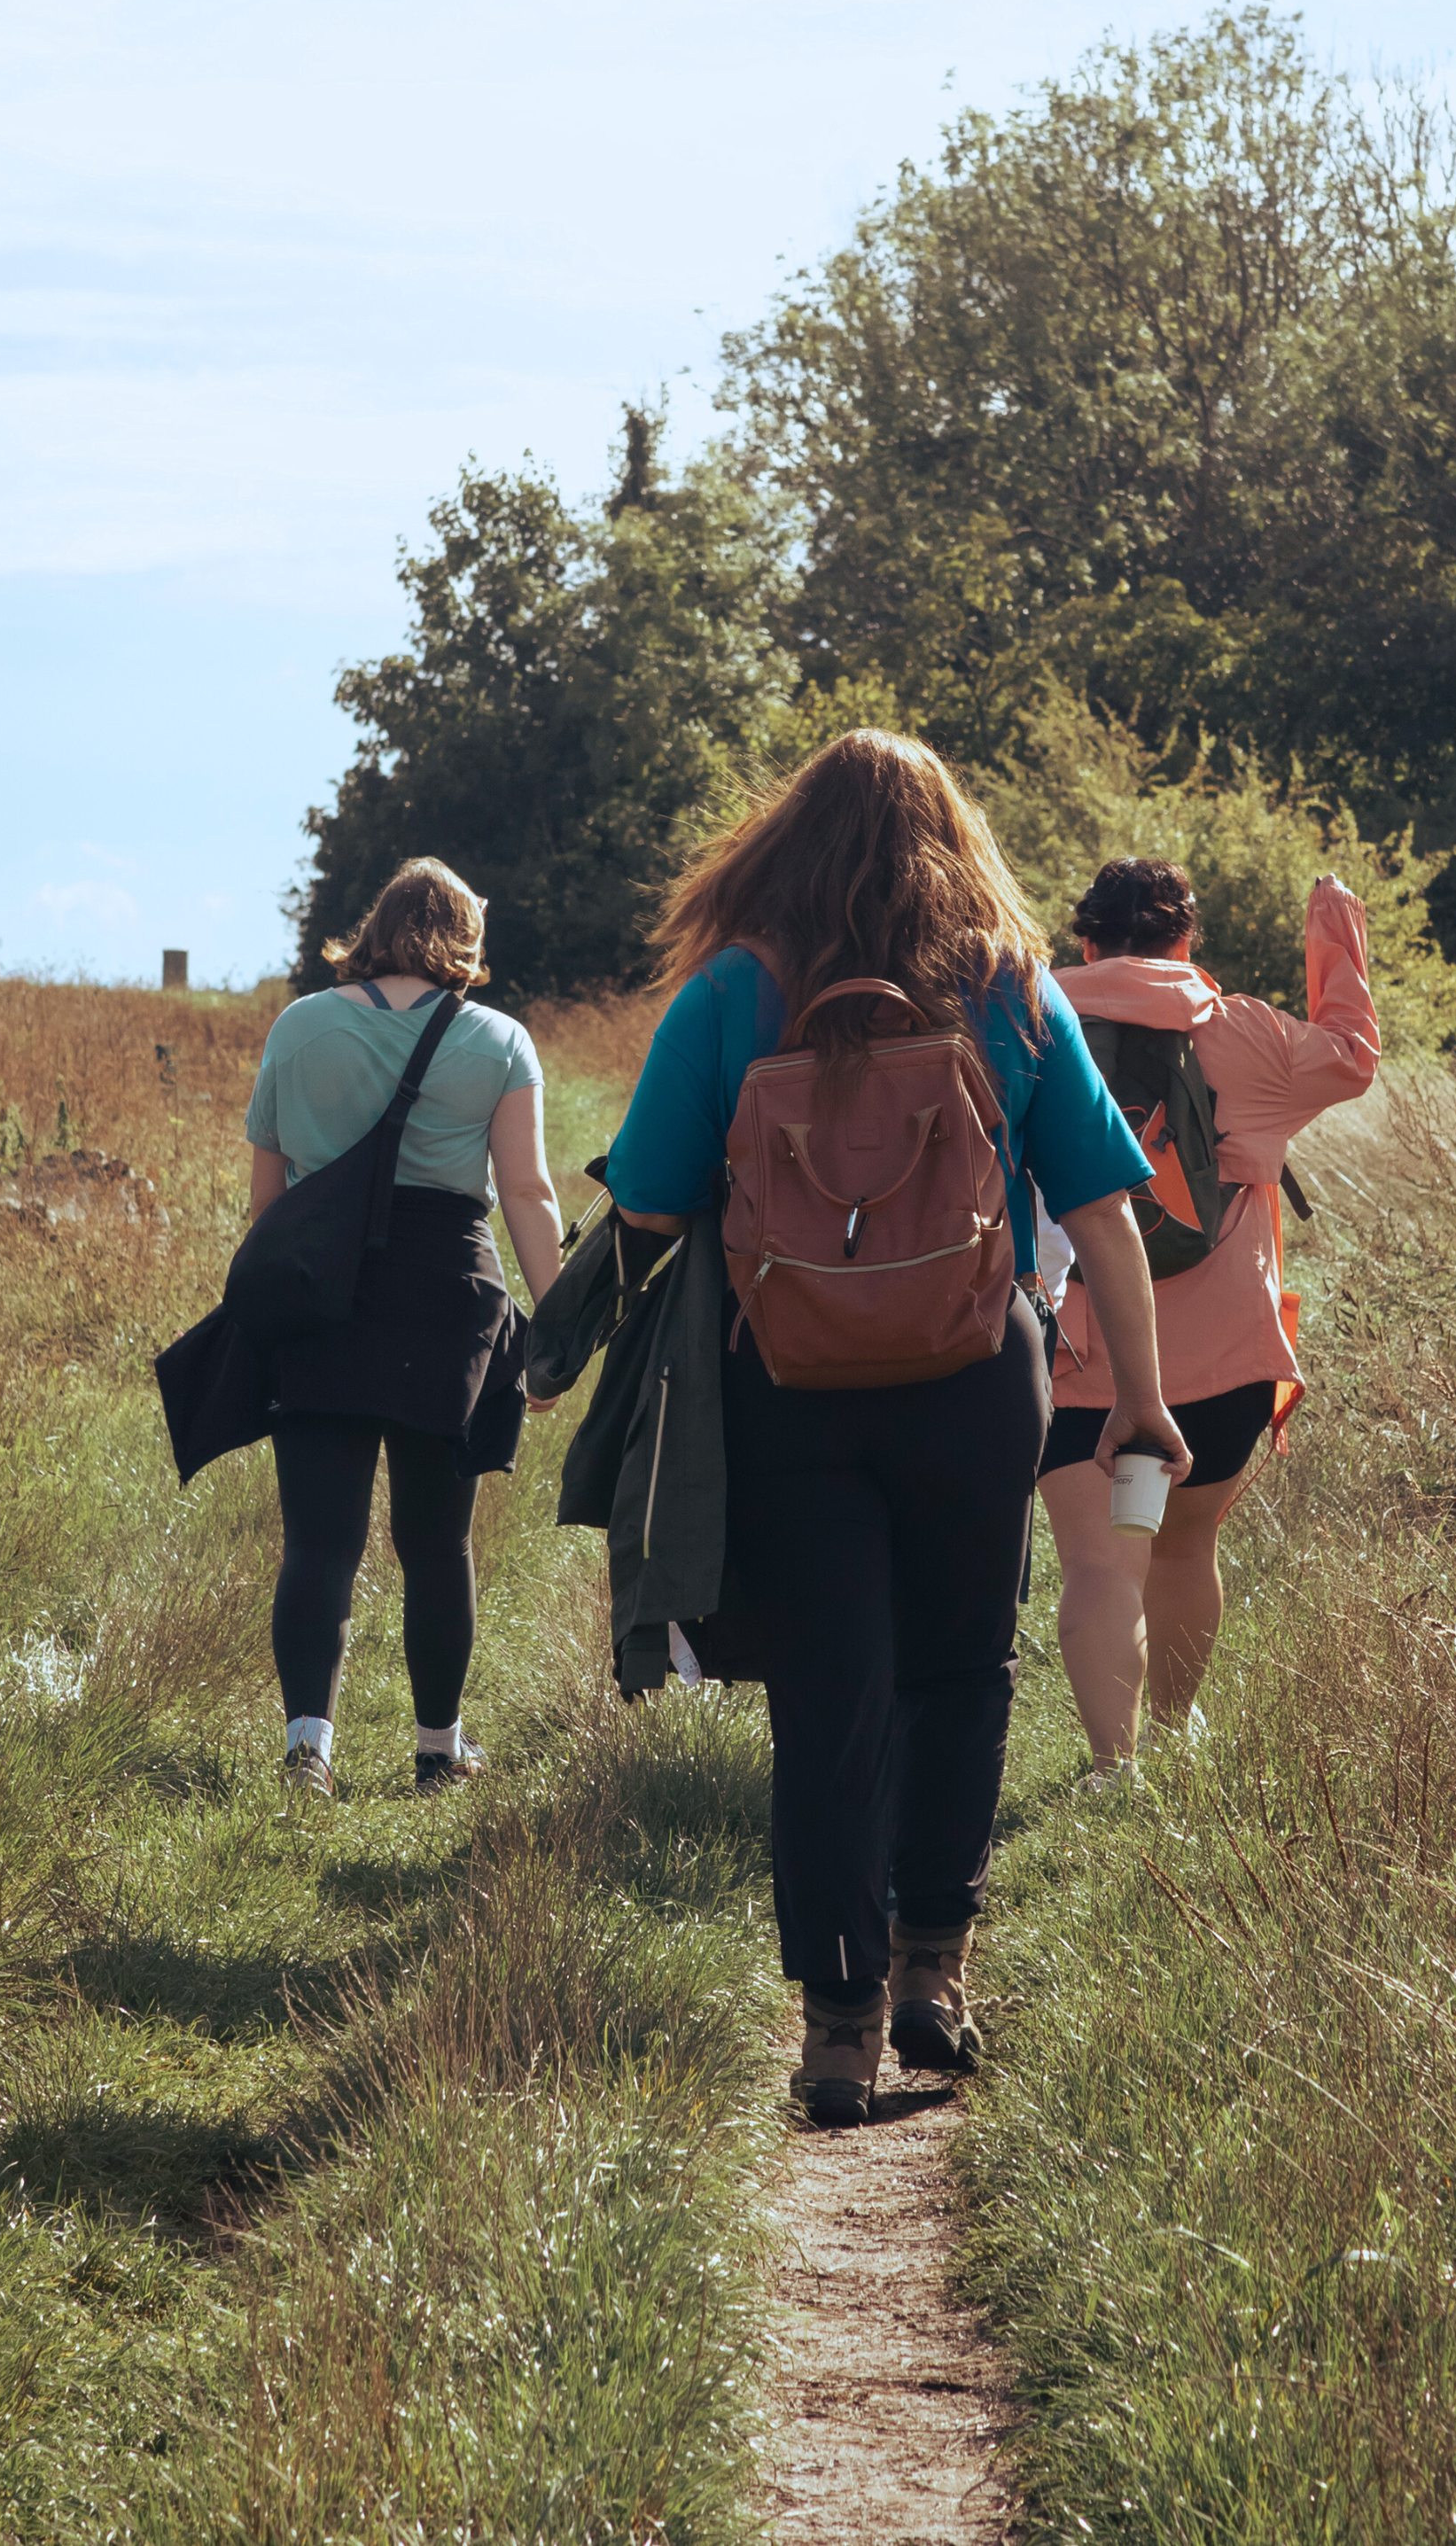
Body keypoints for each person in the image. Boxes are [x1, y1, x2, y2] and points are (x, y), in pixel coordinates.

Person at [602, 731, 1187, 2126]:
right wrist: (1146, 1404)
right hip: (975, 1381)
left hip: (786, 1390)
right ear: (954, 838)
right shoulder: (1010, 989)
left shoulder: (730, 993)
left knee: (828, 1701)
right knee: (960, 1669)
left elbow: (645, 1206)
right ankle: (936, 1964)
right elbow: (1107, 1209)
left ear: (782, 843)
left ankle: (837, 2031)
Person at [1039, 858, 1378, 1774]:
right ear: (1186, 940)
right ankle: (1177, 1728)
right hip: (1226, 1354)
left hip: (1077, 1354)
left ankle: (1115, 1768)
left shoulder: (1031, 1025)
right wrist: (1334, 925)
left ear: (1085, 940)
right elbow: (1352, 1053)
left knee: (1102, 1564)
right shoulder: (1248, 1034)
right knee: (1184, 1548)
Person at [245, 858, 564, 1802]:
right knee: (437, 1544)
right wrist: (555, 1329)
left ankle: (310, 1750)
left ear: (374, 926)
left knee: (317, 1540)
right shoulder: (499, 1040)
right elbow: (527, 1193)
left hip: (317, 1290)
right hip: (445, 1298)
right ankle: (437, 1751)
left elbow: (267, 1202)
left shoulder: (300, 1025)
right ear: (466, 935)